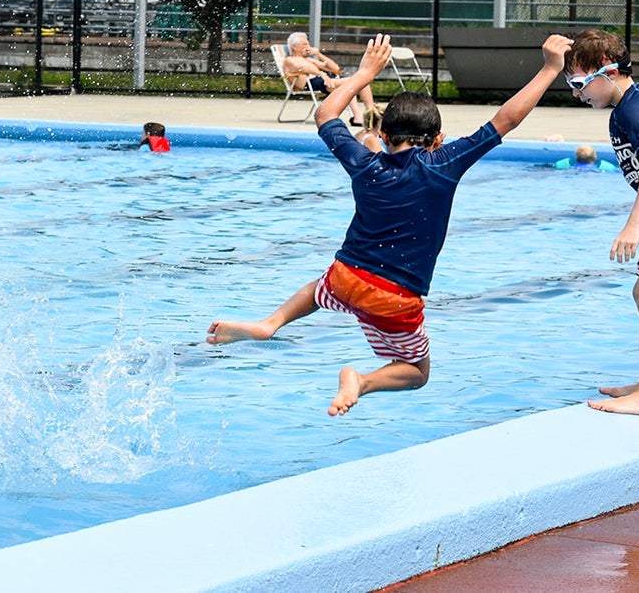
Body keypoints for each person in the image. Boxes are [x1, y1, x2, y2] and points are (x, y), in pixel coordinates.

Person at [207, 32, 573, 417]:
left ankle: (270, 322)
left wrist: (363, 75)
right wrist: (550, 69)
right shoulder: (443, 163)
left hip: (346, 277)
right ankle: (361, 381)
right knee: (417, 372)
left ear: (382, 136)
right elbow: (506, 119)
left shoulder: (366, 163)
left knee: (323, 287)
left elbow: (325, 115)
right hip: (394, 298)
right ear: (438, 139)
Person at [564, 29, 639, 416]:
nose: (576, 94)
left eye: (580, 83)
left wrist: (634, 225)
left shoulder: (634, 109)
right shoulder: (631, 107)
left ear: (609, 69)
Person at [282, 32, 372, 126]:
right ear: (294, 47)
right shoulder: (289, 60)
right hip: (313, 83)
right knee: (357, 81)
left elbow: (335, 68)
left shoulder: (309, 60)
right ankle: (365, 116)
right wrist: (322, 74)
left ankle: (368, 113)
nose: (308, 46)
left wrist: (318, 54)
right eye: (305, 44)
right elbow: (305, 68)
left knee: (359, 83)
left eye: (308, 44)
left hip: (327, 82)